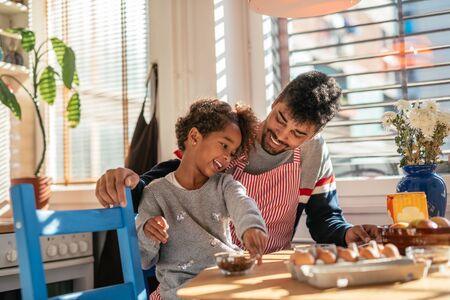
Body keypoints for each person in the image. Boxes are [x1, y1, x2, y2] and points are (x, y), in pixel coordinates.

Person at [96, 71, 380, 254]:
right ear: (276, 100)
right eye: (280, 119)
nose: (280, 135)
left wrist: (346, 233)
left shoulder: (313, 154)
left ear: (313, 135)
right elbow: (175, 174)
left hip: (267, 270)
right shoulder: (233, 135)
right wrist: (131, 182)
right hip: (211, 267)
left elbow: (324, 220)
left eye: (298, 133)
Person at [136, 99, 268, 299]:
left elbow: (243, 203)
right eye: (224, 145)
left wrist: (251, 227)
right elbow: (144, 260)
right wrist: (148, 233)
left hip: (227, 279)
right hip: (182, 290)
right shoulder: (155, 193)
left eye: (232, 153)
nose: (227, 158)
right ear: (195, 136)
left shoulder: (225, 185)